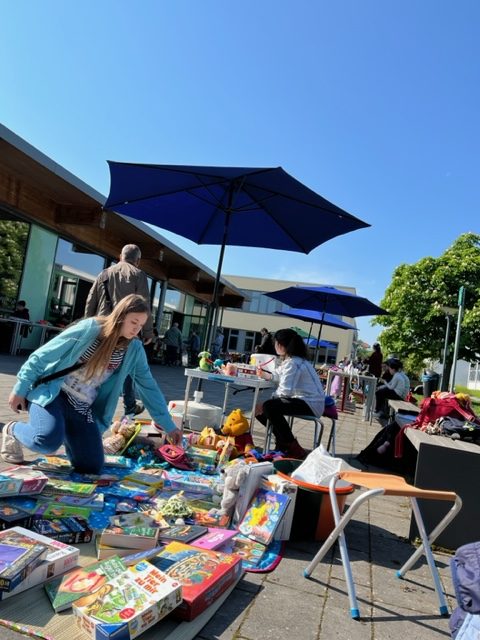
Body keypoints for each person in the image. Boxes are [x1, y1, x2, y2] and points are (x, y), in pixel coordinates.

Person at [2, 294, 181, 471]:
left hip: (81, 406)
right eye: (133, 322)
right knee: (45, 441)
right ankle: (12, 429)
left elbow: (148, 387)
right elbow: (42, 356)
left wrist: (169, 426)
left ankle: (60, 428)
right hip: (54, 394)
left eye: (141, 325)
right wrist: (20, 387)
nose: (136, 330)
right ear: (120, 316)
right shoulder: (91, 328)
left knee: (92, 465)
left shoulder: (134, 349)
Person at [85, 244, 152, 416]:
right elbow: (144, 306)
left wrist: (87, 326)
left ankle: (86, 400)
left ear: (120, 256)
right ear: (138, 260)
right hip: (126, 331)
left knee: (98, 363)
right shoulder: (139, 275)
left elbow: (90, 301)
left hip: (103, 328)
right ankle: (129, 407)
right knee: (126, 367)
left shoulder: (104, 273)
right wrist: (147, 332)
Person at [255, 328, 325, 459]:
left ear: (281, 345)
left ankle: (292, 447)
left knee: (268, 407)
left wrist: (265, 403)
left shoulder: (293, 363)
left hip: (310, 403)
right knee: (263, 408)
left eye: (275, 343)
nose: (274, 345)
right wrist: (266, 375)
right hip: (309, 401)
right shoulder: (294, 360)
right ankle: (283, 442)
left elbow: (285, 391)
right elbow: (279, 374)